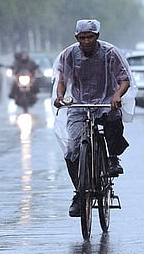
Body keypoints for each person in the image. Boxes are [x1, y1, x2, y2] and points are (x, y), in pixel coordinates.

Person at [52, 19, 137, 217]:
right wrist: (60, 97)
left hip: (105, 102)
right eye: (82, 38)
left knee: (113, 120)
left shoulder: (110, 53)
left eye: (90, 37)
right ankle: (79, 194)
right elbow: (62, 80)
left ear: (97, 36)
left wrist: (117, 95)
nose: (86, 41)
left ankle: (112, 158)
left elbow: (124, 79)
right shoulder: (69, 55)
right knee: (72, 150)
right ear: (77, 38)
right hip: (79, 104)